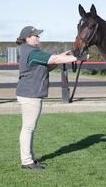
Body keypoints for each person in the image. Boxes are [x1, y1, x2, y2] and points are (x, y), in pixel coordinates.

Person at [15, 26, 86, 170]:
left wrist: (63, 57)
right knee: (28, 128)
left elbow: (47, 65)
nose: (38, 38)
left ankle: (29, 158)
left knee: (29, 128)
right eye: (35, 36)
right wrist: (78, 57)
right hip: (31, 95)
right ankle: (27, 161)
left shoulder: (29, 51)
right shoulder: (31, 52)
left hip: (29, 93)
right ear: (28, 38)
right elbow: (54, 58)